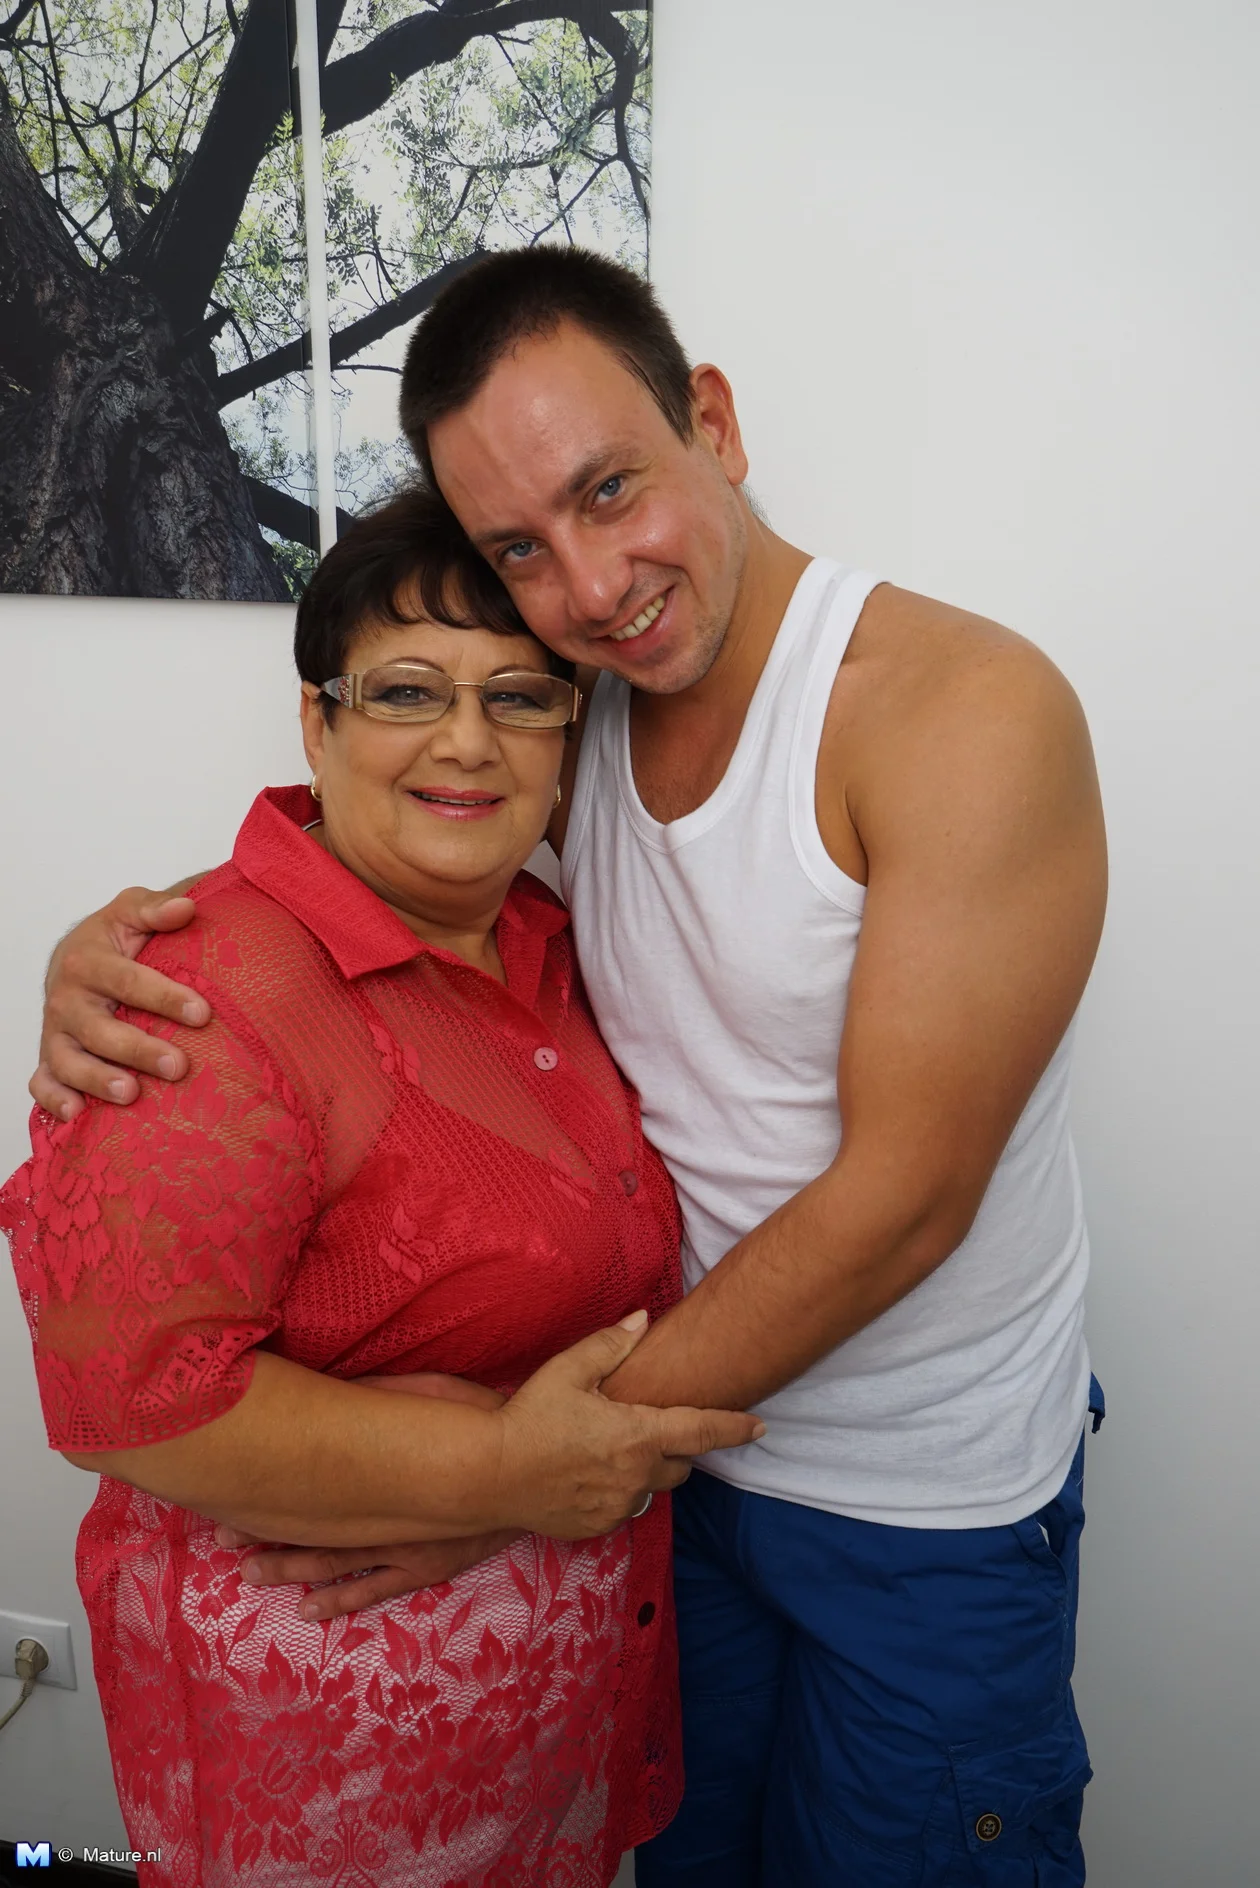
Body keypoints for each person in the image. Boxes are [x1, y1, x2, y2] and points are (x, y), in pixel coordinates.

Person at [33, 247, 1109, 1887]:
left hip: (910, 1496)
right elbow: (396, 824)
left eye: (611, 491)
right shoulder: (581, 709)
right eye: (522, 550)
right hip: (673, 1501)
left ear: (713, 423)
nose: (594, 586)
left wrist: (514, 1480)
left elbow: (908, 1196)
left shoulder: (961, 714)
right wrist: (123, 951)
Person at [1, 488, 762, 1888]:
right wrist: (503, 1472)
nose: (468, 741)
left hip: (553, 1725)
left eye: (519, 698)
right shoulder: (200, 1000)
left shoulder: (555, 933)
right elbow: (137, 1402)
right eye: (409, 690)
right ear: (319, 722)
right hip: (325, 1756)